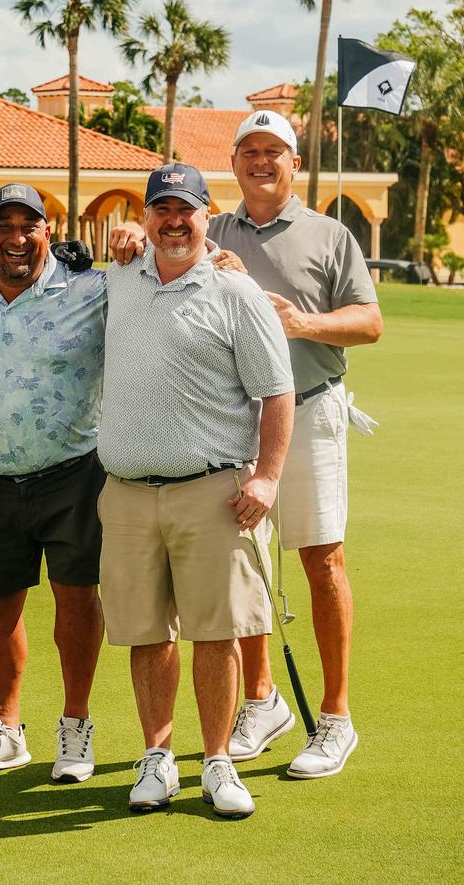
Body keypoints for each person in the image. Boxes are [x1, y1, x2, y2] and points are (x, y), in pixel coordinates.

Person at [97, 163, 295, 819]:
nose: (174, 221)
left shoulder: (235, 291)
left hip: (213, 491)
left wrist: (266, 476)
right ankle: (156, 759)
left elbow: (278, 392)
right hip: (128, 494)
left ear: (208, 216)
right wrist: (124, 240)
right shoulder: (120, 276)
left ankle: (216, 761)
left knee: (216, 633)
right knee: (147, 632)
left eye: (186, 209)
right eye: (162, 210)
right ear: (146, 217)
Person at [212, 110, 382, 779]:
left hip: (310, 407)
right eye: (249, 150)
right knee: (244, 564)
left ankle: (336, 717)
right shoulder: (212, 230)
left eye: (274, 151)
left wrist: (302, 321)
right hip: (233, 421)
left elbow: (369, 322)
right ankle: (262, 701)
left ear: (295, 163)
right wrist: (138, 234)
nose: (261, 161)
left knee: (321, 559)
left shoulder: (330, 234)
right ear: (234, 161)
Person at [0, 183, 108, 783]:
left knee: (76, 599)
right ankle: (6, 729)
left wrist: (141, 243)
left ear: (48, 231)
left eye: (29, 226)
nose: (17, 238)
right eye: (4, 226)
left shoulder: (91, 288)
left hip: (74, 474)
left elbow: (163, 279)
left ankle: (76, 726)